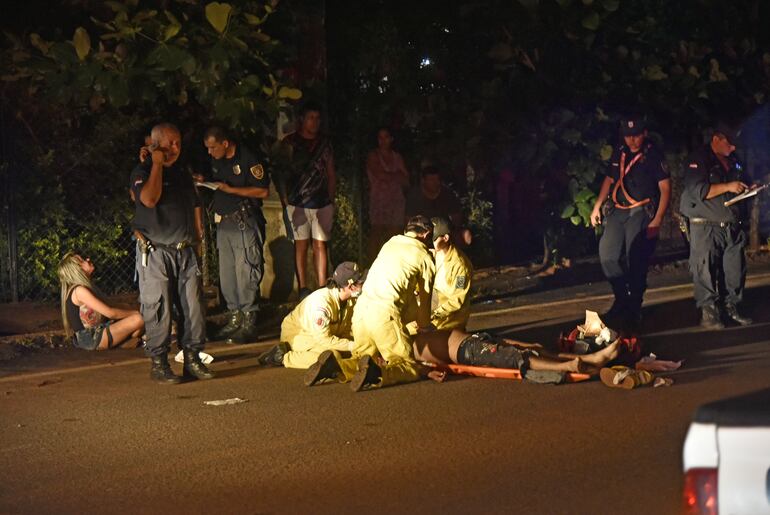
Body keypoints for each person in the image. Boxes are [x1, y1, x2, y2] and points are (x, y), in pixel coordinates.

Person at [304, 216, 436, 392]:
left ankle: (337, 367)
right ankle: (378, 373)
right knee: (405, 364)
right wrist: (426, 328)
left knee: (363, 358)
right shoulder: (424, 255)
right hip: (384, 313)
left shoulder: (390, 243)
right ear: (426, 234)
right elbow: (425, 300)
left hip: (361, 312)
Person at [130, 122, 214, 384]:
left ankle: (192, 358)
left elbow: (194, 203)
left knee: (194, 309)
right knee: (158, 309)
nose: (175, 148)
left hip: (185, 251)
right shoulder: (142, 171)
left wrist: (198, 238)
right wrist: (156, 164)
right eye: (169, 143)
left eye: (178, 142)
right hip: (156, 253)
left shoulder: (181, 173)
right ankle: (159, 363)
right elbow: (149, 199)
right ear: (155, 145)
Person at [590, 117, 670, 330]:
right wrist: (597, 205)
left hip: (640, 211)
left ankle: (634, 307)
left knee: (635, 258)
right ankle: (621, 298)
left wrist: (658, 218)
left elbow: (665, 188)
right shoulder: (619, 152)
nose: (632, 140)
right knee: (607, 255)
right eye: (628, 135)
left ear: (644, 133)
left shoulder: (653, 155)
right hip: (618, 211)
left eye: (636, 135)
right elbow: (609, 179)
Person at [679, 124, 754, 329]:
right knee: (705, 269)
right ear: (716, 139)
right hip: (706, 225)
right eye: (729, 144)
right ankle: (709, 311)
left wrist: (749, 188)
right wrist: (728, 187)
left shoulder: (733, 161)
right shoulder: (698, 160)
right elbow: (699, 190)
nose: (732, 149)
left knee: (735, 269)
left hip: (731, 224)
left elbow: (743, 180)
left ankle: (732, 307)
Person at [202, 126, 270, 344]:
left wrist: (232, 191)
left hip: (244, 221)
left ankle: (249, 320)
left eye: (213, 147)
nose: (210, 152)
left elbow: (263, 191)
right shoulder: (218, 160)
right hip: (224, 222)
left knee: (246, 271)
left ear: (225, 143)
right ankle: (234, 317)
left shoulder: (248, 157)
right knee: (228, 274)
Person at [275, 102, 336, 300]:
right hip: (298, 201)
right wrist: (286, 201)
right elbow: (281, 173)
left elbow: (330, 171)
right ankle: (303, 288)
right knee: (300, 245)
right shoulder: (290, 142)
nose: (315, 122)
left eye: (318, 118)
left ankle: (321, 286)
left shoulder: (324, 143)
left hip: (321, 201)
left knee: (320, 245)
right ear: (302, 119)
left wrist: (331, 198)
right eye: (311, 118)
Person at [257, 262, 365, 369]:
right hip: (298, 334)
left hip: (317, 335)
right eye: (361, 282)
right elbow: (324, 340)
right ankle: (282, 357)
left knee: (349, 351)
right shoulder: (322, 304)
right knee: (333, 357)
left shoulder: (350, 301)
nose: (364, 285)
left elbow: (346, 330)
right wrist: (353, 345)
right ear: (351, 286)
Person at [412, 328, 622, 377]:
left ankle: (592, 357)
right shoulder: (398, 350)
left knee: (533, 347)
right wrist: (426, 372)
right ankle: (567, 366)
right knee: (519, 358)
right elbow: (406, 366)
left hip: (475, 338)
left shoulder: (400, 332)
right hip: (468, 351)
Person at [57, 252, 144, 351]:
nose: (88, 259)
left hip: (99, 331)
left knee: (136, 319)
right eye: (82, 260)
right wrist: (137, 313)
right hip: (90, 338)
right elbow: (111, 313)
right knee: (139, 319)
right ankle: (125, 343)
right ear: (76, 270)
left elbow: (112, 306)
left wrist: (131, 308)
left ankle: (123, 343)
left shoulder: (86, 287)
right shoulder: (79, 291)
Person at [366, 127, 410, 261]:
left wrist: (391, 176)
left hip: (396, 201)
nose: (383, 141)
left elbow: (406, 179)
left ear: (391, 139)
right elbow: (379, 174)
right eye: (380, 138)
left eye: (386, 137)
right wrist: (396, 175)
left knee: (395, 234)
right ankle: (372, 264)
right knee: (377, 233)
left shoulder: (397, 157)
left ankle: (394, 262)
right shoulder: (373, 156)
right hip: (379, 201)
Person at [405, 165, 472, 245]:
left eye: (437, 179)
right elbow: (408, 220)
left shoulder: (448, 194)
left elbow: (456, 218)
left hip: (443, 232)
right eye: (431, 180)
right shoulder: (415, 196)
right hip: (422, 233)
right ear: (423, 181)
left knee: (466, 235)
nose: (435, 183)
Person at [429, 216, 473, 330]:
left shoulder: (460, 266)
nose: (429, 241)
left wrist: (434, 315)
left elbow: (457, 299)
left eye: (433, 238)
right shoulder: (434, 254)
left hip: (451, 318)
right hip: (436, 305)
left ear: (445, 238)